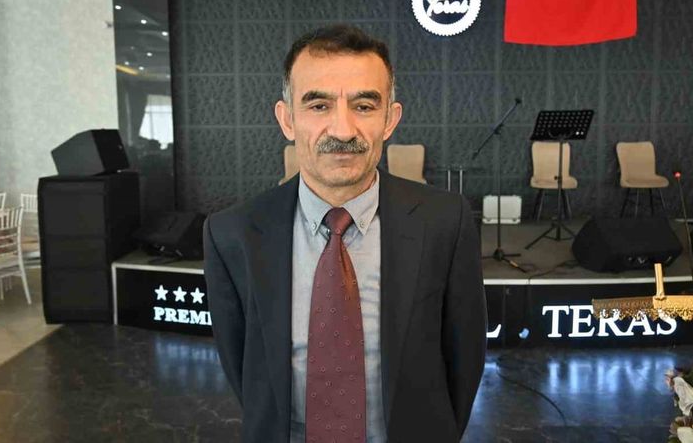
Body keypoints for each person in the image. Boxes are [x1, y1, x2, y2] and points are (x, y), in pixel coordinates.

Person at [204, 24, 487, 443]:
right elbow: (244, 369)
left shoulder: (446, 222)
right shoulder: (232, 234)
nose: (342, 130)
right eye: (318, 105)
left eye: (364, 106)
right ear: (287, 119)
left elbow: (464, 359)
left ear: (390, 120)